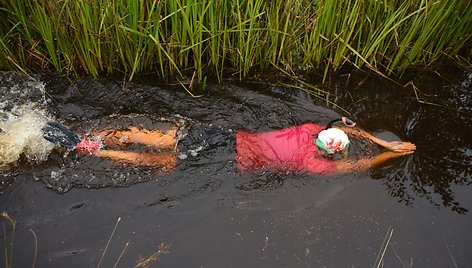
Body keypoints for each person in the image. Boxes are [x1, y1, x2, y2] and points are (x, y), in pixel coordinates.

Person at [42, 117, 416, 174]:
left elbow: (338, 125)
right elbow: (356, 166)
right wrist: (385, 151)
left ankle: (107, 135)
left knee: (167, 137)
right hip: (227, 160)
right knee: (168, 161)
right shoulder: (313, 165)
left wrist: (374, 136)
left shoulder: (307, 129)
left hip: (224, 137)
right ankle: (97, 150)